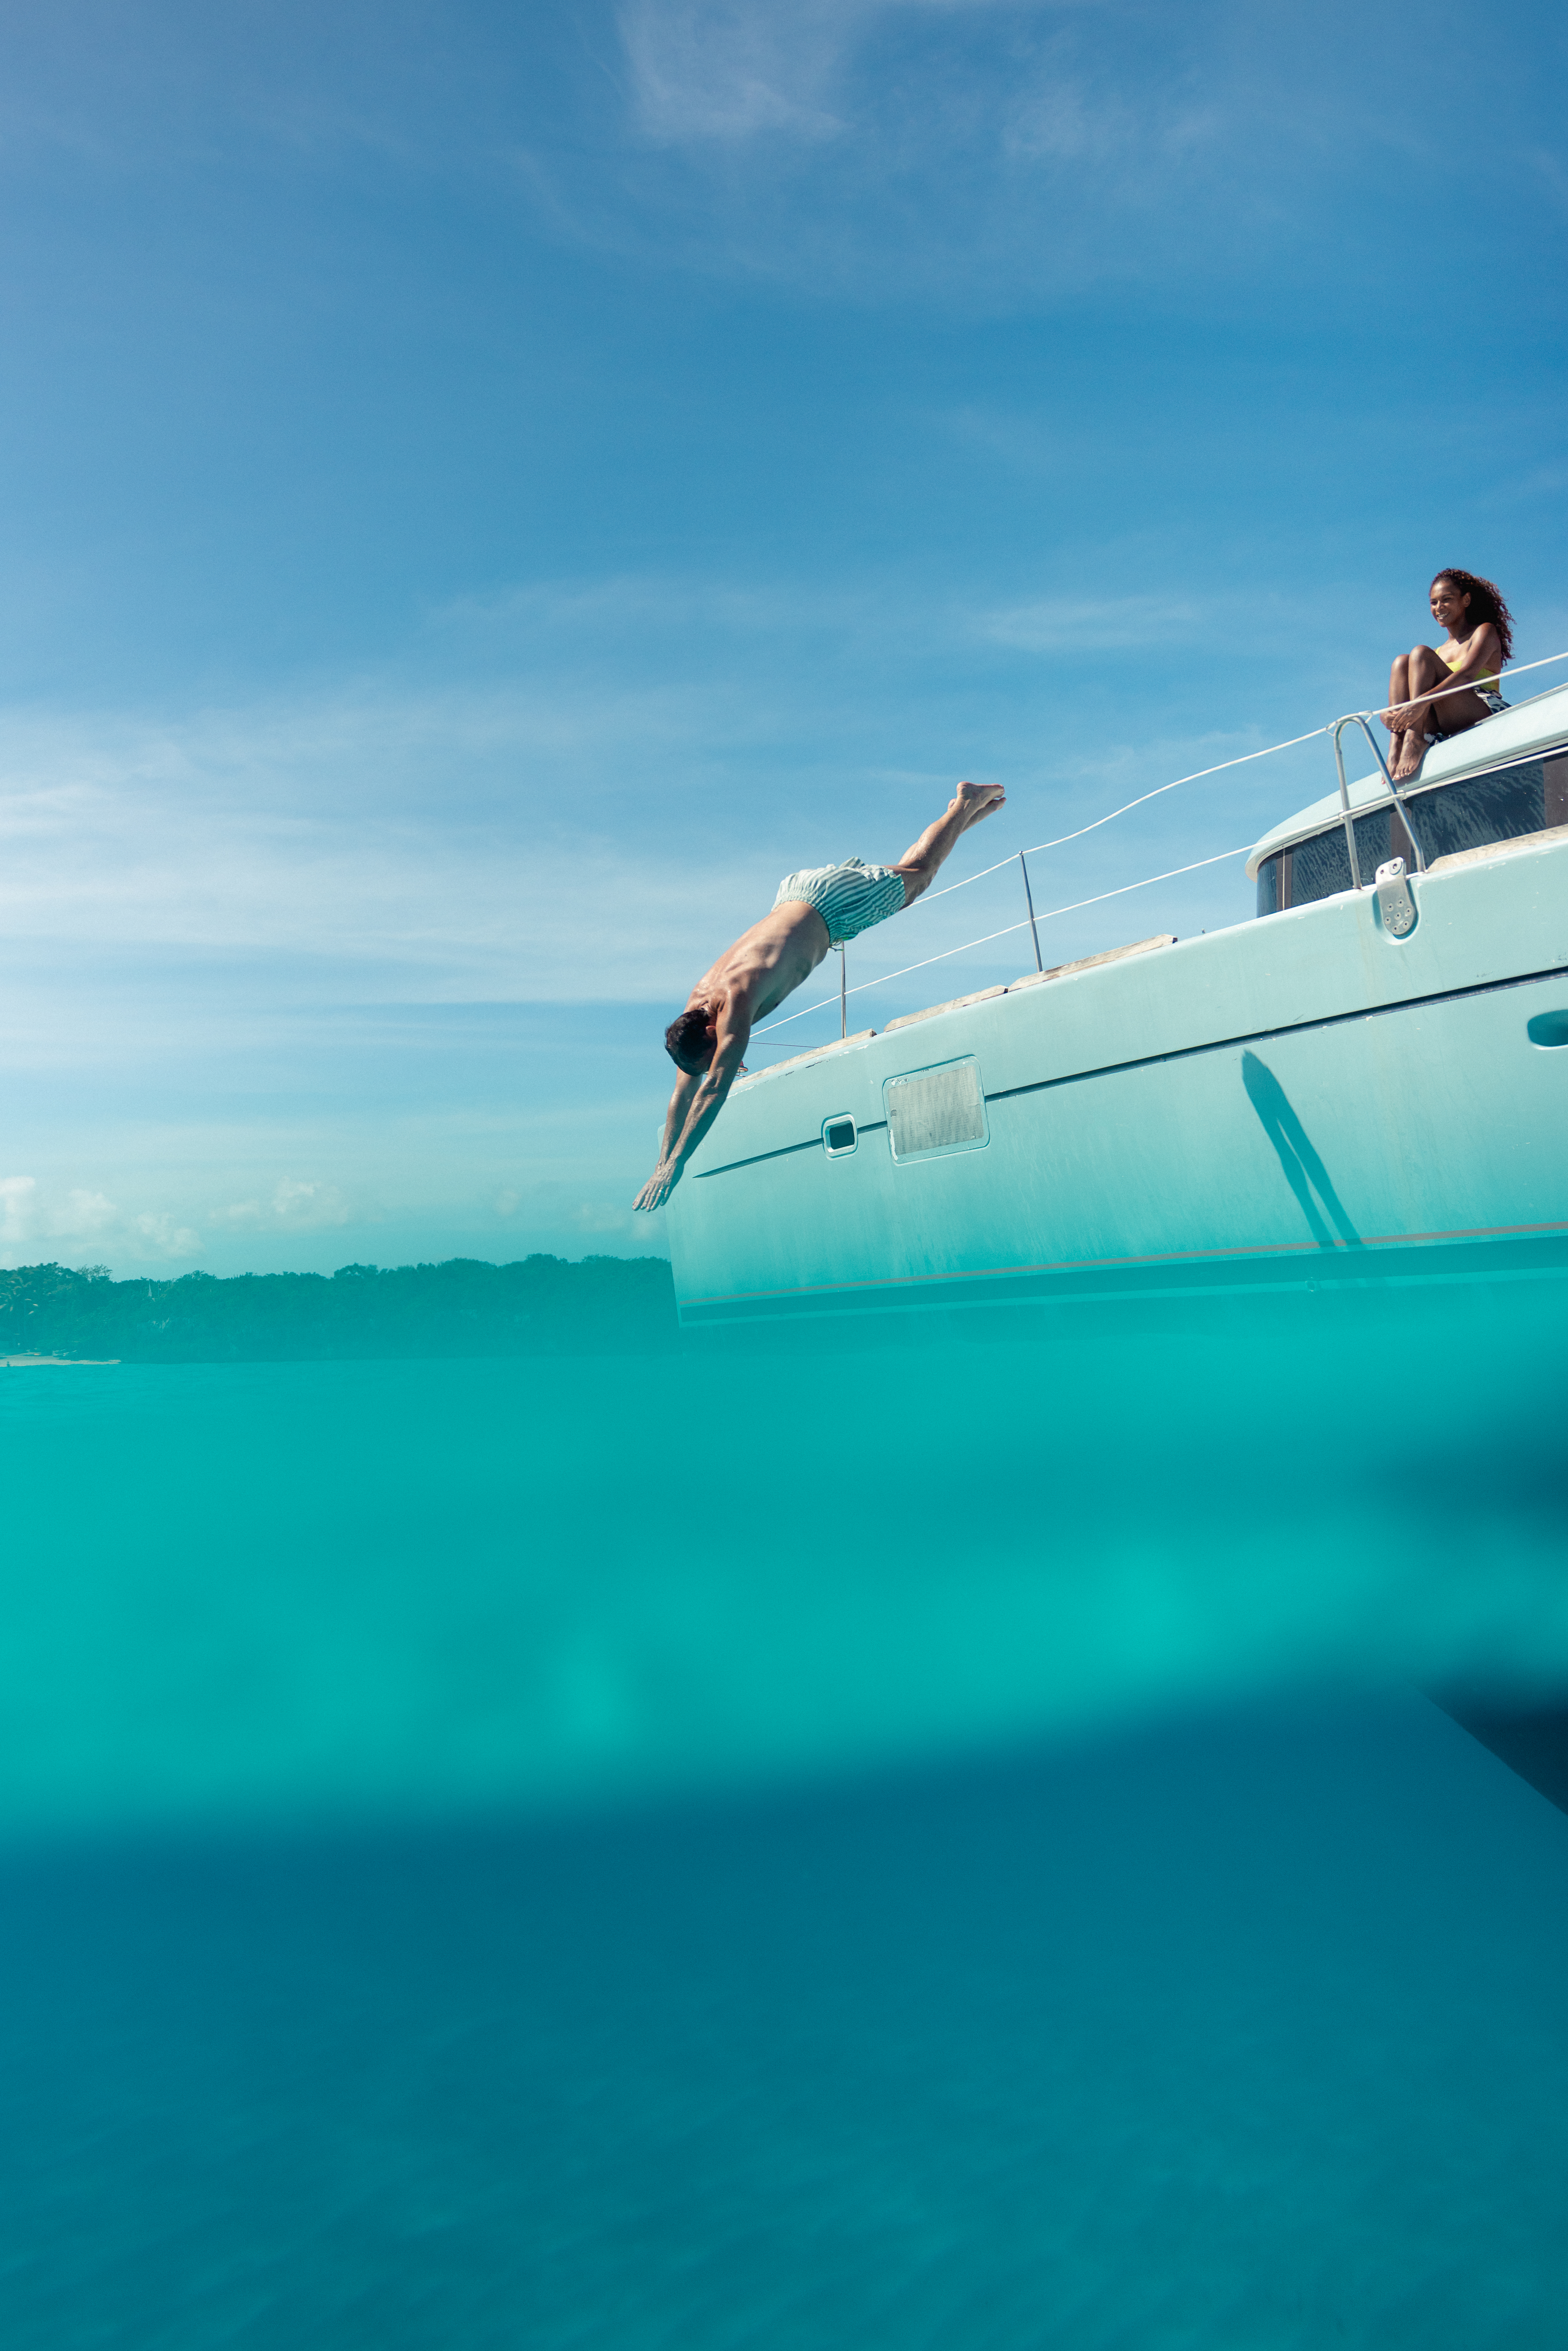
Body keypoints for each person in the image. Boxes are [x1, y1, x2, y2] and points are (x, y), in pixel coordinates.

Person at [633, 779, 1007, 1211]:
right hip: (798, 896)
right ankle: (967, 812)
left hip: (830, 908)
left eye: (717, 1055)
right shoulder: (696, 1011)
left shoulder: (734, 1001)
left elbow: (713, 1088)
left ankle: (963, 806)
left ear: (714, 1031)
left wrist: (677, 1165)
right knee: (907, 873)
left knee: (918, 878)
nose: (725, 1063)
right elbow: (685, 1093)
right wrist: (658, 1165)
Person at [1381, 570, 1514, 782]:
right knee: (1402, 662)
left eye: (1447, 600)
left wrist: (1420, 703)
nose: (1439, 608)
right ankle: (1396, 746)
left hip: (1478, 707)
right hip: (1438, 714)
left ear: (1467, 600)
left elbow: (1467, 675)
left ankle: (1414, 739)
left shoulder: (1485, 632)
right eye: (1434, 603)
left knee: (1420, 654)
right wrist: (1390, 715)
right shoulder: (1439, 652)